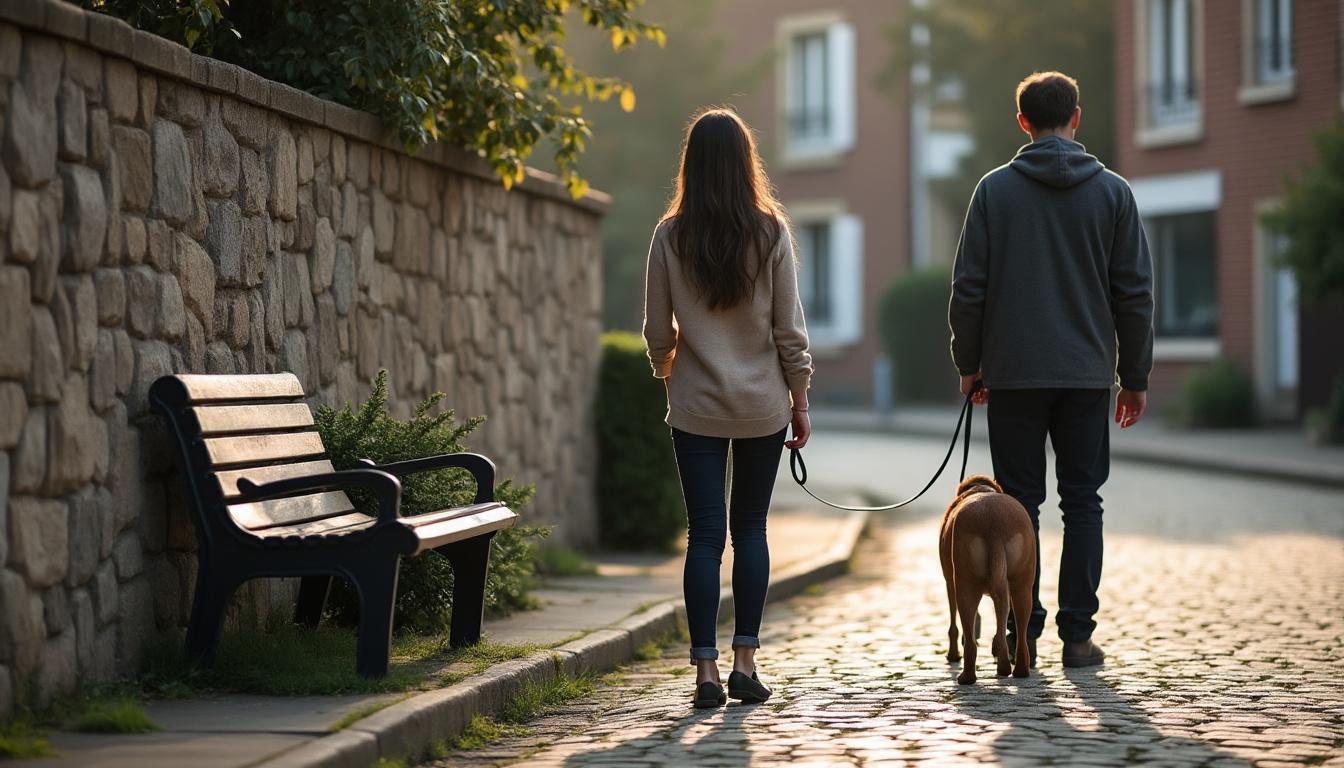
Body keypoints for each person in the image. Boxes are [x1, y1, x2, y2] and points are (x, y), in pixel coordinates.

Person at [948, 71, 1155, 668]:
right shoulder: (1113, 193)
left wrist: (970, 363)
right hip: (1087, 376)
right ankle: (1079, 637)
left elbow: (969, 289)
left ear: (1023, 123)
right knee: (1083, 501)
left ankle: (1021, 632)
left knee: (1019, 503)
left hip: (1012, 374)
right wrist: (1134, 375)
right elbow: (1134, 293)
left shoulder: (993, 191)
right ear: (1077, 117)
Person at [643, 108, 814, 708]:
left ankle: (705, 674)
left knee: (705, 535)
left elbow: (657, 329)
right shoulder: (771, 232)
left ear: (691, 163)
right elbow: (789, 331)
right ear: (747, 163)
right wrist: (800, 401)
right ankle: (745, 662)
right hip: (763, 406)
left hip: (694, 406)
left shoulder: (670, 235)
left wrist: (668, 369)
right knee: (751, 529)